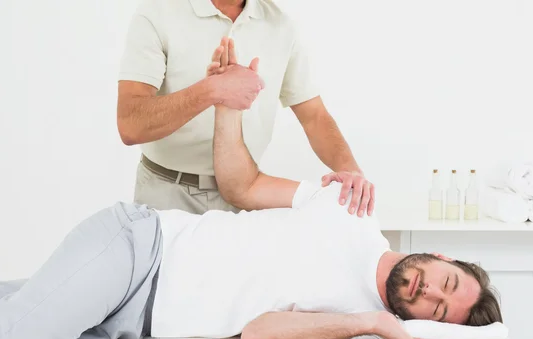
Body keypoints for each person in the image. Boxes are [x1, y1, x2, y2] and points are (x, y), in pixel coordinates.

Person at [0, 63, 502, 339]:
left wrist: (376, 325)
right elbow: (242, 186)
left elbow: (261, 334)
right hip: (143, 251)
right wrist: (226, 106)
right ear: (442, 258)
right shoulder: (350, 213)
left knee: (4, 312)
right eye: (444, 282)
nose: (426, 291)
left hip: (136, 318)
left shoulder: (360, 329)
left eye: (434, 310)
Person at [117, 0, 375, 217]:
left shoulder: (280, 24)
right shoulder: (157, 13)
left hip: (244, 196)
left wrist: (350, 170)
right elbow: (130, 124)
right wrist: (212, 90)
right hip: (166, 194)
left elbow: (314, 116)